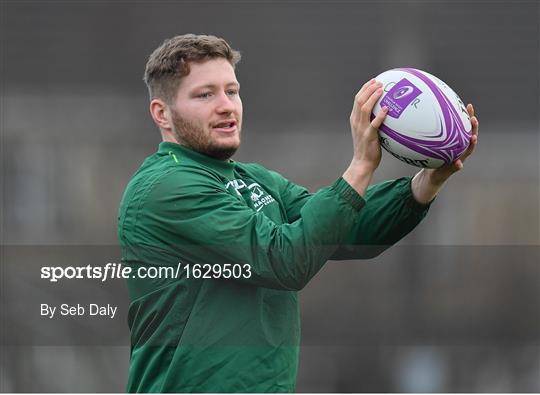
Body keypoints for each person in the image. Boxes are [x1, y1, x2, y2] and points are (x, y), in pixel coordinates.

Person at [117, 34, 479, 393]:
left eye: (232, 90)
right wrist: (361, 165)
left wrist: (427, 181)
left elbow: (345, 227)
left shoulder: (254, 179)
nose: (227, 105)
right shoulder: (165, 188)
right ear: (162, 113)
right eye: (205, 94)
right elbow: (283, 260)